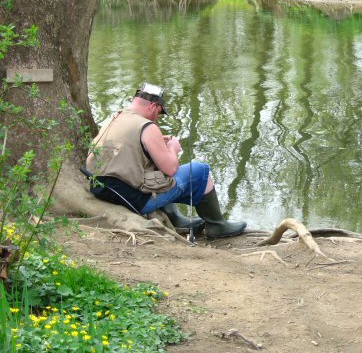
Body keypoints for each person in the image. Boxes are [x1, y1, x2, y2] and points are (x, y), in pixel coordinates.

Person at [85, 82, 247, 239]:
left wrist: (155, 144)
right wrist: (173, 148)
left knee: (154, 167)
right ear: (153, 106)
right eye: (159, 112)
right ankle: (217, 226)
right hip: (132, 199)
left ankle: (176, 219)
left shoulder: (114, 118)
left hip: (101, 189)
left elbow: (125, 151)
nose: (157, 118)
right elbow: (171, 169)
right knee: (199, 171)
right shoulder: (147, 126)